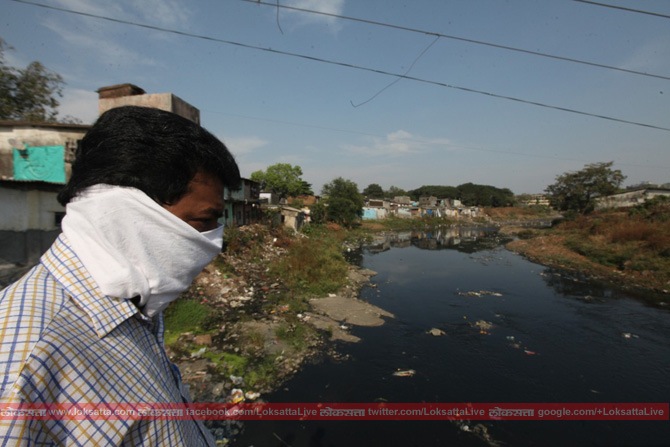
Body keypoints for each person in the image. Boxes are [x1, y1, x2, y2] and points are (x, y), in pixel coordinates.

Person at [0, 105, 240, 446]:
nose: (215, 241)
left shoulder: (132, 302)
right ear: (129, 213)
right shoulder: (26, 365)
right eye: (204, 220)